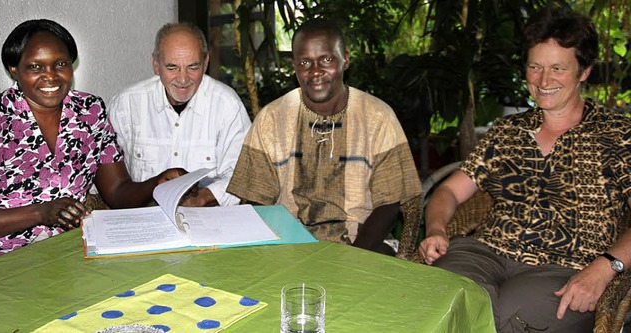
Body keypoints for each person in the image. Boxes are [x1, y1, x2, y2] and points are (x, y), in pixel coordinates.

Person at [418, 6, 631, 332]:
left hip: (564, 269)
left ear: (584, 71)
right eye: (535, 67)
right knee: (443, 302)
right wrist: (435, 228)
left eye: (558, 68)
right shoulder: (507, 131)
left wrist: (605, 268)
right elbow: (448, 190)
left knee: (515, 318)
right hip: (483, 253)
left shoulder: (618, 136)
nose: (544, 81)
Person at [0, 19, 185, 258]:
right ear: (14, 69)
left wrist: (157, 183)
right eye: (35, 67)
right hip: (4, 258)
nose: (50, 76)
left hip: (70, 249)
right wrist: (40, 213)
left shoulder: (89, 111)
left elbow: (117, 191)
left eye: (60, 64)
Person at [227, 18, 421, 254]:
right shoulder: (272, 118)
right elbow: (256, 199)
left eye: (326, 59)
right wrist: (289, 242)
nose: (315, 71)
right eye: (304, 62)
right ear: (294, 67)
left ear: (345, 60)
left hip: (362, 242)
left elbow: (389, 203)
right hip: (289, 242)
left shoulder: (378, 117)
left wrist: (355, 255)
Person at [107, 22, 251, 207]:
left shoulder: (227, 105)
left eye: (193, 67)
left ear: (206, 63)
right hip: (143, 221)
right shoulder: (125, 105)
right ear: (156, 65)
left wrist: (202, 198)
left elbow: (241, 175)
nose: (183, 79)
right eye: (172, 67)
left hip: (209, 219)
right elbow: (110, 179)